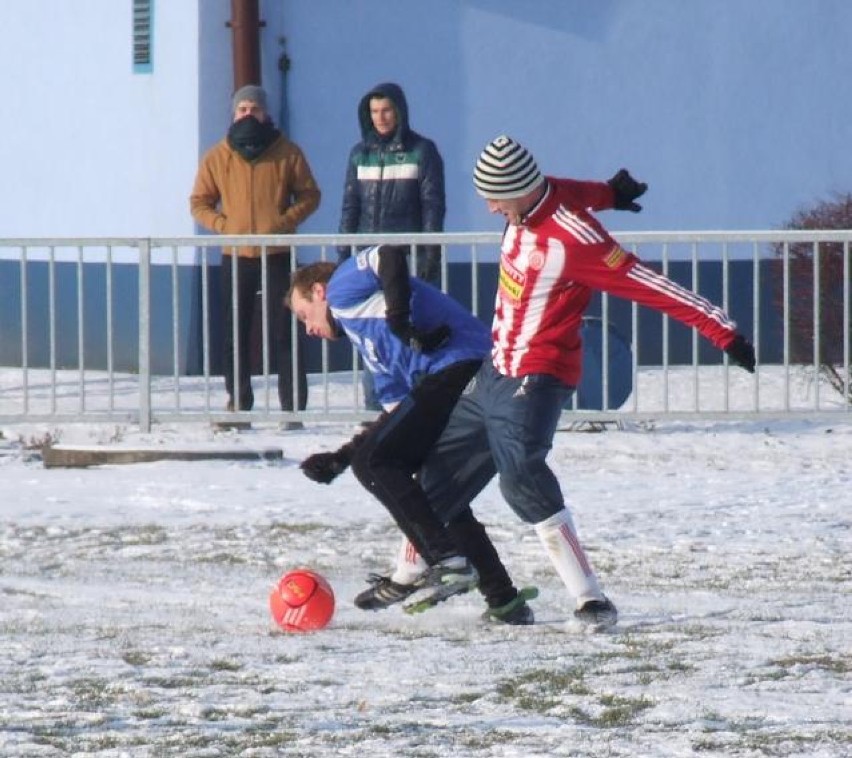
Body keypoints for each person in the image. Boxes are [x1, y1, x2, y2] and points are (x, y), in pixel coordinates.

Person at [376, 135, 757, 632]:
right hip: (496, 366)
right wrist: (610, 192)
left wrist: (720, 328)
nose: (489, 208)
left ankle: (590, 600)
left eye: (495, 197)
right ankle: (410, 571)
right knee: (437, 467)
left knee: (521, 477)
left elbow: (644, 282)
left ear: (518, 188)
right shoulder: (536, 198)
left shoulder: (576, 239)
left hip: (539, 375)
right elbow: (569, 188)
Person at [286, 246, 537, 624]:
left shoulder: (341, 288)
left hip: (466, 367)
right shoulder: (370, 348)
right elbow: (393, 419)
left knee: (377, 462)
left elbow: (388, 254)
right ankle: (503, 599)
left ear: (318, 291)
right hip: (457, 378)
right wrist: (340, 457)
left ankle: (444, 560)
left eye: (304, 315)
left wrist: (400, 319)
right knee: (435, 487)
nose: (308, 329)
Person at [190, 84, 321, 419]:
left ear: (266, 113)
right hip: (236, 255)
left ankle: (292, 406)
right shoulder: (217, 156)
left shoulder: (287, 152)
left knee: (287, 329)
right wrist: (223, 225)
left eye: (254, 109)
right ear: (234, 114)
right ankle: (239, 401)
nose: (249, 115)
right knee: (235, 330)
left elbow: (310, 195)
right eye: (243, 109)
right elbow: (199, 203)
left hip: (278, 253)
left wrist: (283, 222)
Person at [338, 82, 446, 410]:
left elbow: (433, 205)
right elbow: (350, 206)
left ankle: (420, 403)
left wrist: (429, 255)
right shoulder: (360, 154)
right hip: (369, 261)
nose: (381, 118)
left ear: (399, 111)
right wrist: (343, 254)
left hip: (407, 257)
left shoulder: (422, 150)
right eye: (374, 112)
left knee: (412, 329)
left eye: (386, 110)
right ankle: (376, 405)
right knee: (374, 332)